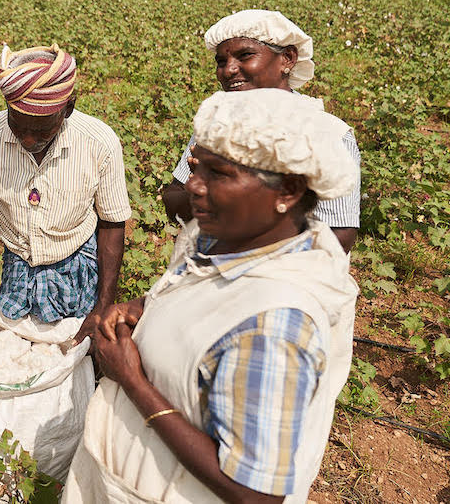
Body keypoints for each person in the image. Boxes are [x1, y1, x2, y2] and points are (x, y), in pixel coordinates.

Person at [64, 88, 359, 504]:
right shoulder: (225, 241)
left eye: (217, 174)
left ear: (288, 192)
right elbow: (203, 297)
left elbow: (255, 493)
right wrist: (145, 309)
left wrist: (132, 380)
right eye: (195, 168)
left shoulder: (274, 324)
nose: (193, 188)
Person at [0, 44, 131, 342]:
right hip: (18, 261)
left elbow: (112, 224)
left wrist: (103, 305)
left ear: (68, 109)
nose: (27, 139)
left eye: (42, 131)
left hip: (77, 261)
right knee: (19, 347)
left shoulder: (100, 143)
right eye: (17, 126)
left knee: (79, 349)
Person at [161, 9, 361, 253]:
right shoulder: (217, 123)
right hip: (209, 268)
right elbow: (173, 199)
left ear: (287, 59)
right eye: (221, 62)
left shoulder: (325, 134)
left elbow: (339, 235)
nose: (229, 70)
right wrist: (206, 190)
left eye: (245, 55)